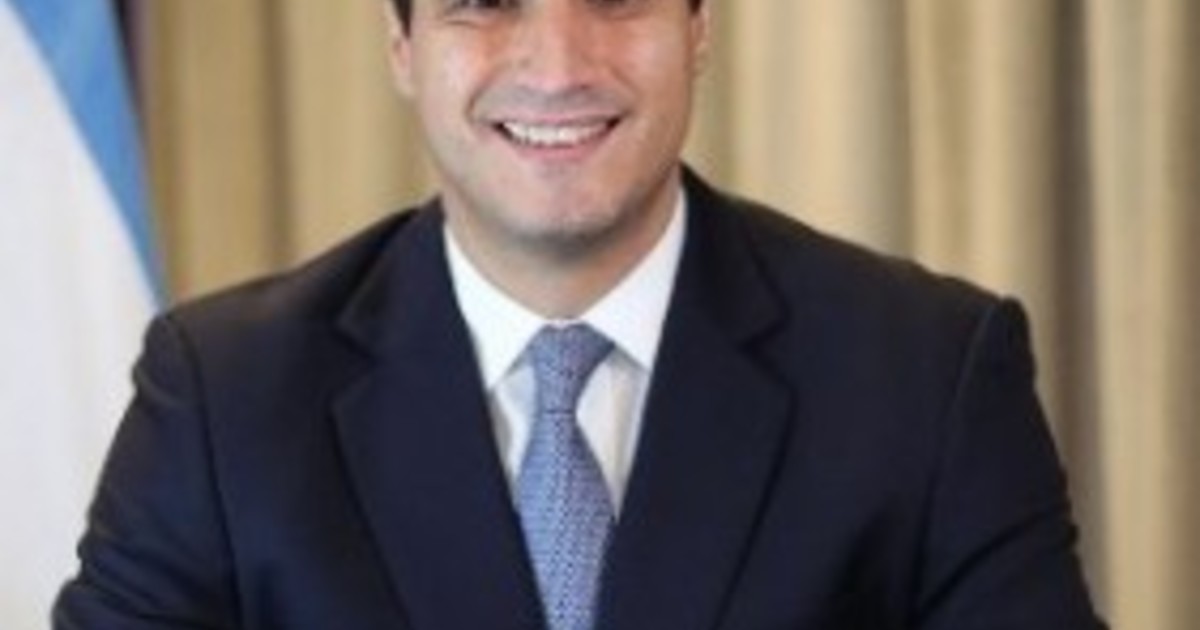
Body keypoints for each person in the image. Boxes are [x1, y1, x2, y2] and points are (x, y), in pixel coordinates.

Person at [55, 0, 1107, 628]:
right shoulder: (223, 400)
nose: (557, 66)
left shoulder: (929, 378)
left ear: (698, 26)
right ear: (401, 44)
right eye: (485, 1)